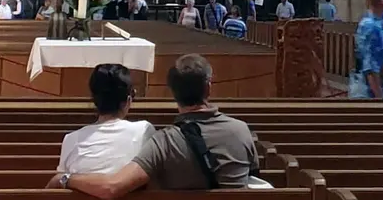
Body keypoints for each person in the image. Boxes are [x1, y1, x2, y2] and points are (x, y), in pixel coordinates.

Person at [58, 55, 260, 196]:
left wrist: (65, 179)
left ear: (173, 93)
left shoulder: (165, 142)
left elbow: (113, 186)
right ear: (208, 88)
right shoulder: (241, 130)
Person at [48, 64, 154, 179]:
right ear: (128, 101)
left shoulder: (71, 139)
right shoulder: (144, 131)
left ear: (95, 101)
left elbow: (60, 182)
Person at [350, 0, 383, 99]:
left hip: (377, 85)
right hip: (369, 91)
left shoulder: (379, 22)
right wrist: (379, 99)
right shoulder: (370, 26)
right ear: (381, 0)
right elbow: (370, 66)